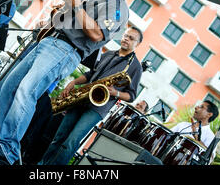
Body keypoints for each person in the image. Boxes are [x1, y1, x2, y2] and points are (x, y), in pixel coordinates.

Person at [0, 0, 131, 165]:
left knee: (26, 91)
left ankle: (7, 148)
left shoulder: (119, 8)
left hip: (65, 50)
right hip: (50, 42)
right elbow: (71, 20)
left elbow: (97, 34)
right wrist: (63, 11)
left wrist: (77, 7)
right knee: (10, 87)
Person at [39, 26, 143, 165]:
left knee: (71, 142)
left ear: (138, 44)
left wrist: (115, 93)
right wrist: (74, 82)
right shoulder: (108, 54)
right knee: (59, 137)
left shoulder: (136, 66)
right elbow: (90, 75)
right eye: (125, 35)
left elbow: (132, 95)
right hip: (82, 99)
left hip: (98, 108)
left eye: (131, 38)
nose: (126, 39)